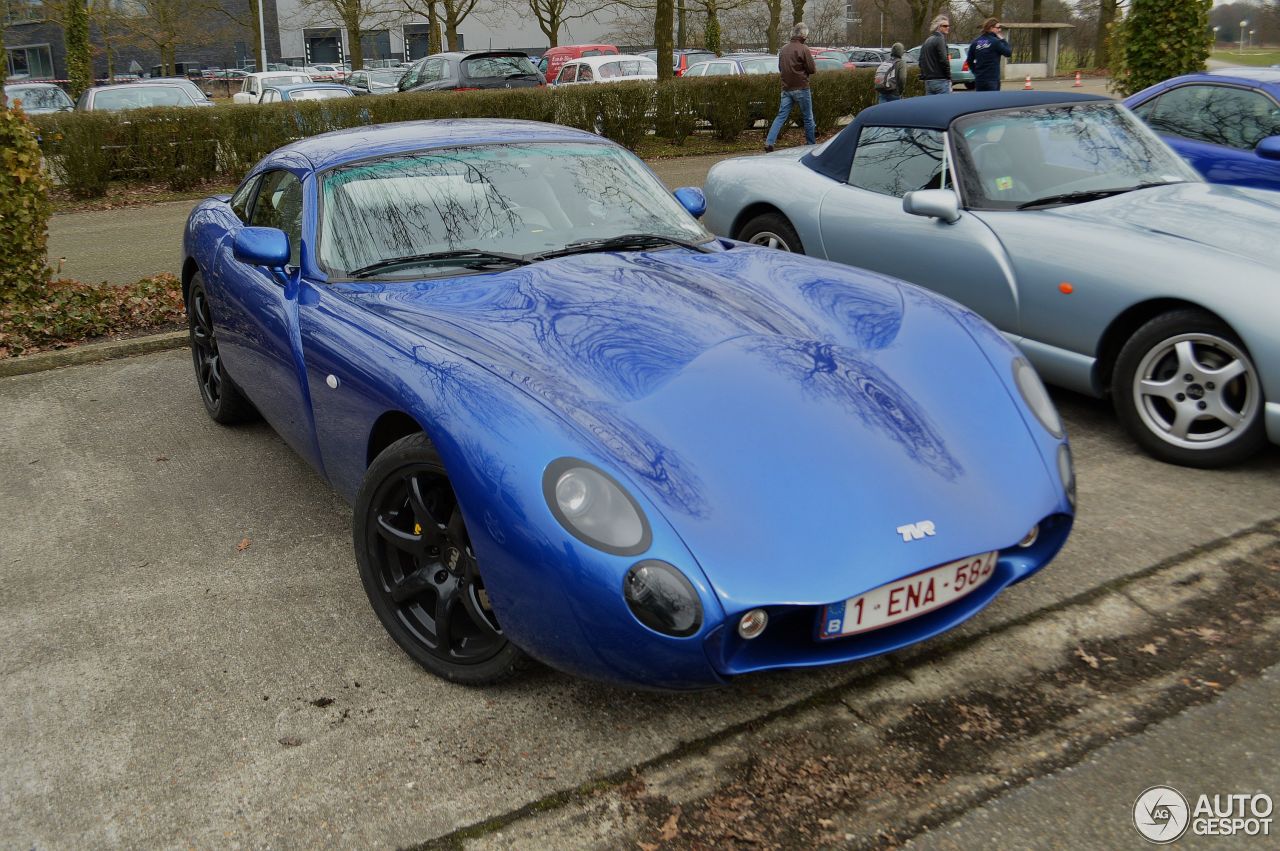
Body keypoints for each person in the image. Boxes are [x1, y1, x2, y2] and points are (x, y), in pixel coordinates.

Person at [765, 22, 817, 153]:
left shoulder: (783, 49)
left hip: (786, 88)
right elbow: (812, 69)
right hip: (802, 87)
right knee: (808, 117)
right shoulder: (804, 49)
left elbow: (780, 68)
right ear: (803, 35)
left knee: (781, 116)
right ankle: (811, 145)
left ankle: (769, 142)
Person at [967, 17, 1013, 91]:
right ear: (991, 28)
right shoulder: (996, 42)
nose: (999, 30)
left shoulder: (975, 42)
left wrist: (976, 71)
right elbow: (1008, 53)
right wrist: (1003, 39)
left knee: (981, 101)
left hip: (979, 79)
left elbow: (969, 60)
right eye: (998, 28)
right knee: (993, 101)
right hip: (992, 79)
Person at [919, 15, 952, 95]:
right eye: (945, 26)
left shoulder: (927, 40)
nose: (948, 27)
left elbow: (921, 61)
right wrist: (949, 76)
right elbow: (944, 59)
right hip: (940, 80)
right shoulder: (940, 39)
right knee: (944, 106)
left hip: (928, 82)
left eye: (948, 25)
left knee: (931, 107)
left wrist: (925, 75)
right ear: (938, 27)